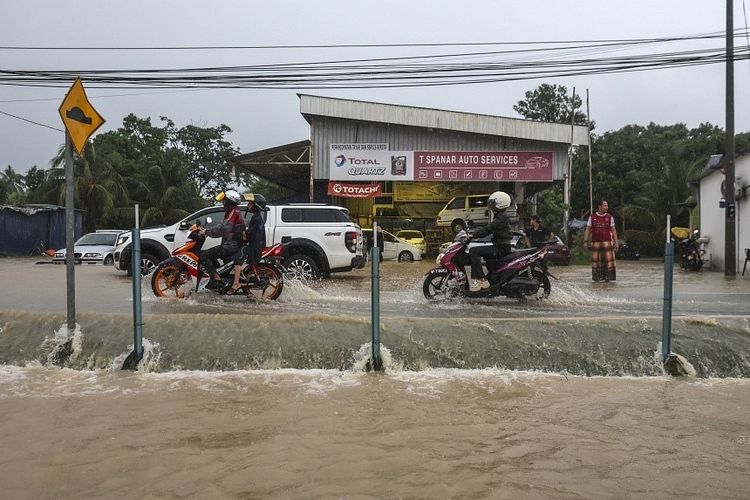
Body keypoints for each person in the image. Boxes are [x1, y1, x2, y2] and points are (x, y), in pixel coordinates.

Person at [468, 191, 513, 292]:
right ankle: (489, 279)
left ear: (500, 203)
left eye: (492, 203)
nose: (490, 205)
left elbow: (488, 229)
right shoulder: (500, 216)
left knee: (473, 251)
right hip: (501, 246)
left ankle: (481, 279)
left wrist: (473, 235)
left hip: (501, 248)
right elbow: (488, 228)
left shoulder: (502, 217)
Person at [200, 189, 245, 289]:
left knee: (205, 256)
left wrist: (207, 232)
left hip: (231, 246)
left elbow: (224, 228)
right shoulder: (233, 212)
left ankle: (216, 280)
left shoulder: (233, 213)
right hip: (232, 244)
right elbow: (222, 226)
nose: (223, 203)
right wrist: (207, 230)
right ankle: (216, 277)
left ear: (229, 202)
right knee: (212, 256)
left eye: (224, 201)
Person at [227, 193, 269, 295]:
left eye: (250, 204)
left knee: (237, 259)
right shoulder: (257, 217)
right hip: (255, 244)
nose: (248, 206)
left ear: (256, 206)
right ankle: (239, 275)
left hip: (253, 246)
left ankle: (236, 283)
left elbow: (249, 234)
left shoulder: (256, 219)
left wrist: (239, 234)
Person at [583, 199, 619, 282]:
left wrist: (616, 243)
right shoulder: (592, 217)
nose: (607, 207)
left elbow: (613, 230)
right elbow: (588, 230)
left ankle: (608, 278)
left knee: (609, 261)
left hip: (608, 243)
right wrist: (585, 241)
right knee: (596, 261)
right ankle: (597, 278)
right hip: (596, 243)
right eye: (605, 205)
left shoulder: (610, 217)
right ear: (599, 206)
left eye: (607, 205)